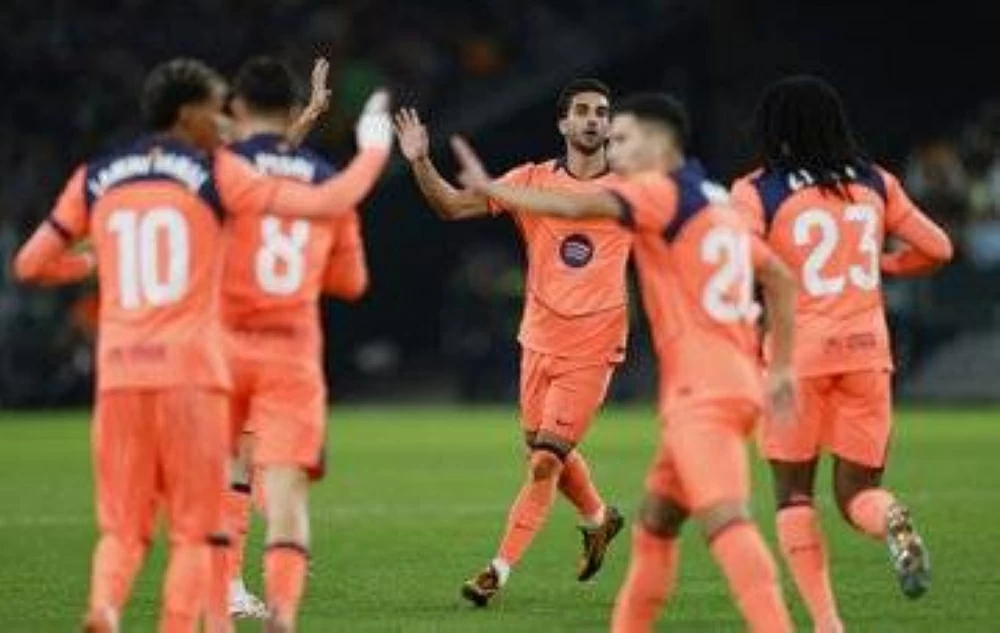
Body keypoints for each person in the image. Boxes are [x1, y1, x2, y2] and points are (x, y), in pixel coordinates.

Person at [13, 57, 392, 633]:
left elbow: (31, 264)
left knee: (138, 521)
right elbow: (298, 192)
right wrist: (371, 148)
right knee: (218, 515)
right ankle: (242, 607)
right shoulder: (217, 174)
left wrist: (91, 262)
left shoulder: (105, 174)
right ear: (192, 113)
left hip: (137, 367)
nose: (223, 118)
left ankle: (122, 606)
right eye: (216, 109)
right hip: (213, 361)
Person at [450, 92, 798, 632]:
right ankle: (605, 547)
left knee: (727, 522)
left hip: (701, 390)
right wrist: (780, 368)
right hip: (728, 381)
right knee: (654, 527)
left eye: (623, 139)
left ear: (659, 142)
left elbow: (574, 206)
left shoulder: (657, 192)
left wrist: (492, 187)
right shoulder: (714, 199)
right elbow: (778, 276)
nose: (614, 150)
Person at [730, 75, 953, 631]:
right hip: (867, 354)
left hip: (796, 359)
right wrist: (887, 264)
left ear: (773, 127)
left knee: (794, 496)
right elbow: (938, 248)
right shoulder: (876, 181)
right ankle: (892, 518)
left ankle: (828, 623)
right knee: (859, 496)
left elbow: (740, 254)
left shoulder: (758, 189)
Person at [395, 79, 628, 606]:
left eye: (601, 112)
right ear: (563, 123)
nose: (593, 119)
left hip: (594, 345)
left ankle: (496, 572)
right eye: (582, 111)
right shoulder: (530, 180)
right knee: (544, 450)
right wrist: (420, 161)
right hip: (538, 339)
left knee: (544, 461)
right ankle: (599, 518)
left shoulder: (633, 189)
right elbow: (452, 206)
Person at [219, 55, 371, 628]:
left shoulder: (221, 166)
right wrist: (309, 117)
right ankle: (268, 596)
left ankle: (225, 587)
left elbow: (253, 169)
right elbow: (350, 281)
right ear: (288, 109)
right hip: (290, 348)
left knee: (236, 468)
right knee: (280, 483)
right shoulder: (324, 178)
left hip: (226, 340)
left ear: (236, 107)